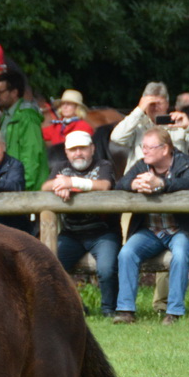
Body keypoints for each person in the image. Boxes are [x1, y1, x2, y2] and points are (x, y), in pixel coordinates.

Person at [113, 127, 189, 324]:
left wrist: (161, 183)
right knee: (126, 253)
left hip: (180, 230)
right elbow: (121, 183)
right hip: (150, 231)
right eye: (143, 147)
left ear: (165, 149)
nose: (144, 151)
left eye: (150, 147)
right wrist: (133, 185)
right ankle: (125, 310)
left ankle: (174, 312)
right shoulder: (142, 165)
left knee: (180, 254)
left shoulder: (187, 163)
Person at [43, 129, 120, 316]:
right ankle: (75, 306)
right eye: (73, 149)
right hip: (71, 234)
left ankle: (109, 309)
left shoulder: (103, 165)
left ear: (92, 149)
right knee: (50, 267)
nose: (78, 153)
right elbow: (45, 186)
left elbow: (104, 185)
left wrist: (72, 183)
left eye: (83, 148)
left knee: (106, 269)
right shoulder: (60, 168)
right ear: (66, 152)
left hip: (103, 233)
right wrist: (58, 187)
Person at [111, 81, 189, 158]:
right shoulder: (137, 126)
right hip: (141, 178)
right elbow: (116, 138)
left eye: (159, 104)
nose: (155, 108)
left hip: (174, 179)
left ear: (167, 104)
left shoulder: (179, 126)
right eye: (151, 104)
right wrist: (139, 110)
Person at [0, 67, 48, 190]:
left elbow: (32, 154)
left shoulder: (27, 116)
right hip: (13, 183)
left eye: (0, 92)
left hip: (29, 189)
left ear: (14, 93)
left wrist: (24, 185)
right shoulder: (6, 116)